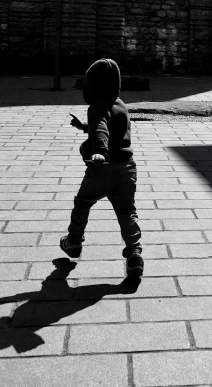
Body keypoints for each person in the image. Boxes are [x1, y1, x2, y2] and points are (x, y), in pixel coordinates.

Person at [60, 58, 143, 279]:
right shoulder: (121, 104)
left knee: (83, 202)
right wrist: (83, 127)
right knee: (127, 212)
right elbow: (108, 126)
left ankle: (74, 243)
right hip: (127, 168)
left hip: (103, 168)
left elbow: (101, 130)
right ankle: (134, 254)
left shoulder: (95, 107)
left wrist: (101, 152)